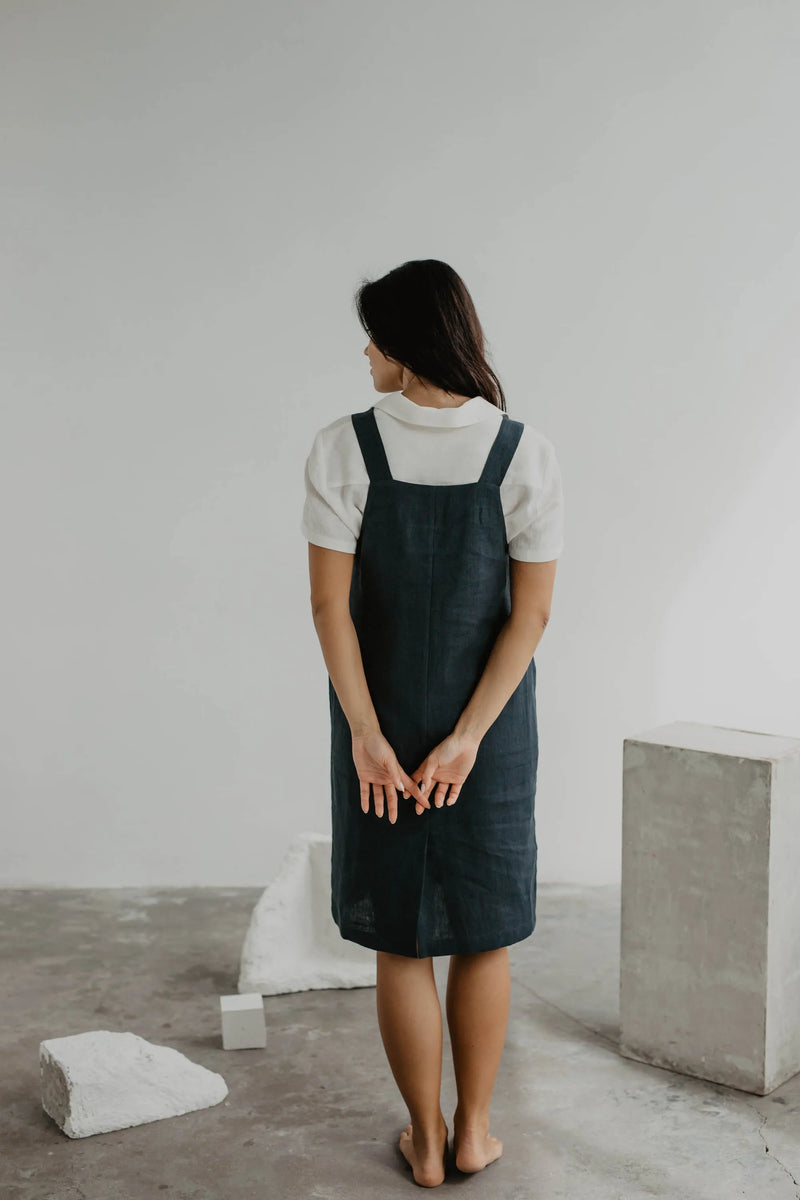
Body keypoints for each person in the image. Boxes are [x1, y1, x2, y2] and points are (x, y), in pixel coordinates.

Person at [301, 259, 563, 1187]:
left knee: (403, 937)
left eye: (374, 335)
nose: (365, 351)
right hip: (485, 734)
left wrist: (369, 736)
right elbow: (528, 617)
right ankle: (474, 1131)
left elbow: (333, 611)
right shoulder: (522, 450)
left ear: (409, 348)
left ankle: (422, 1140)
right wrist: (468, 737)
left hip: (379, 725)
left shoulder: (342, 447)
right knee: (483, 930)